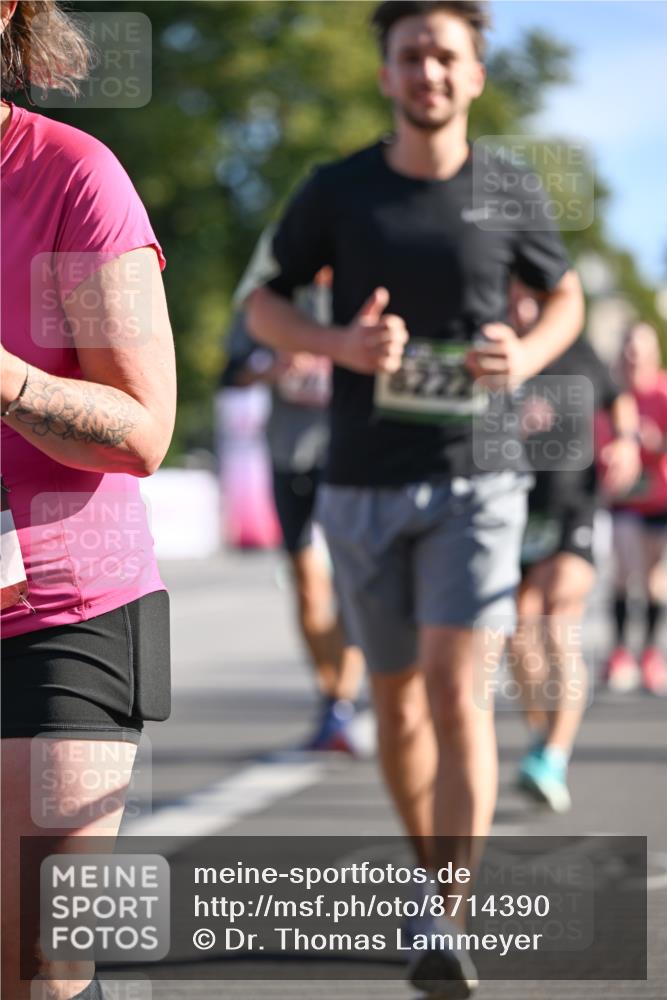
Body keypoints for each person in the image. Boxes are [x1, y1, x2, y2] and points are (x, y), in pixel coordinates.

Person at [245, 2, 584, 994]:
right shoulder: (337, 190)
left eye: (446, 55)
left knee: (454, 688)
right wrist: (341, 343)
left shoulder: (510, 190)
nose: (429, 72)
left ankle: (448, 910)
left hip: (477, 476)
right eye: (410, 56)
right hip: (361, 481)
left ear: (474, 74)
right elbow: (263, 302)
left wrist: (523, 351)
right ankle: (426, 879)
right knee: (395, 707)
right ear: (387, 74)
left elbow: (558, 296)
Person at [1, 3, 176, 998]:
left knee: (38, 961)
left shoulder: (71, 174)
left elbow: (144, 428)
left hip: (61, 614)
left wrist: (8, 381)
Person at [222, 252, 365, 752]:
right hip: (291, 455)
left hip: (351, 455)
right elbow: (231, 370)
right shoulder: (272, 301)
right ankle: (332, 698)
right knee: (307, 586)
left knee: (352, 583)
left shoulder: (365, 291)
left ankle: (342, 700)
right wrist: (274, 366)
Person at [507, 284, 641, 812]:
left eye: (528, 300)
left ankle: (555, 757)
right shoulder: (492, 347)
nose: (519, 310)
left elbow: (618, 398)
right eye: (510, 299)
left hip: (573, 505)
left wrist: (626, 441)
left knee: (559, 614)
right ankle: (542, 734)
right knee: (520, 632)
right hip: (515, 508)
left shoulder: (575, 347)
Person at [603, 322, 667, 693]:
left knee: (656, 581)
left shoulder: (662, 391)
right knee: (624, 572)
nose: (633, 355)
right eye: (628, 347)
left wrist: (657, 443)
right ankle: (619, 653)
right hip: (624, 501)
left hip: (660, 498)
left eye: (640, 348)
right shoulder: (613, 394)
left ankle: (649, 654)